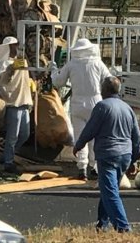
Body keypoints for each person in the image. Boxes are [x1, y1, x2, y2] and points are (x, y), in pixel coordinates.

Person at [73, 76, 140, 233]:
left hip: (108, 154)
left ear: (104, 90)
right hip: (125, 154)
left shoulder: (102, 106)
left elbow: (91, 129)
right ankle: (102, 224)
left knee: (110, 192)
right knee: (109, 189)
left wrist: (79, 145)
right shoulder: (127, 108)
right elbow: (136, 136)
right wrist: (135, 159)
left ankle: (123, 227)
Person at [51, 38, 111, 180]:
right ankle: (95, 167)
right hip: (96, 102)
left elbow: (58, 82)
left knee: (80, 136)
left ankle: (81, 168)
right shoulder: (98, 63)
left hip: (77, 102)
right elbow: (109, 81)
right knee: (95, 137)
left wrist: (53, 70)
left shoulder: (72, 64)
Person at [0, 36, 34, 174]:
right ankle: (8, 162)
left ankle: (6, 155)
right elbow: (3, 81)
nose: (15, 48)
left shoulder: (20, 61)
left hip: (24, 101)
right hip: (13, 103)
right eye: (13, 46)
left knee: (25, 134)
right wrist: (11, 69)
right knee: (13, 136)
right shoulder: (3, 63)